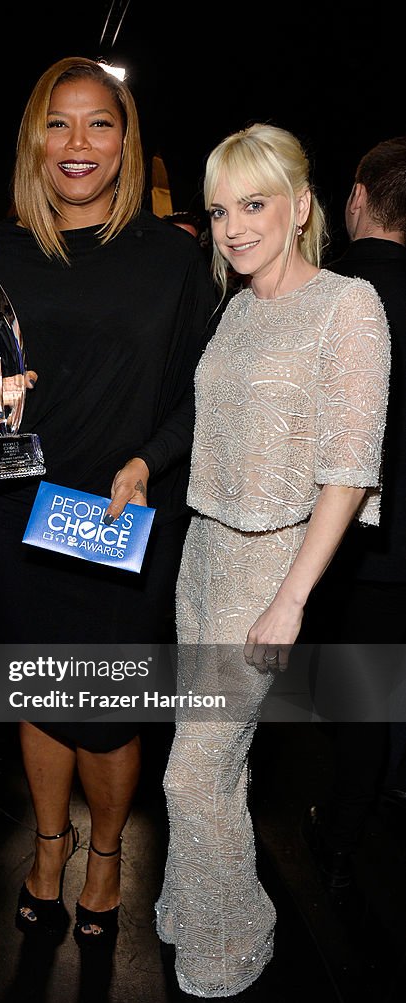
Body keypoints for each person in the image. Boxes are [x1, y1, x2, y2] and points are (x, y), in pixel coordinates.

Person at [0, 56, 216, 946]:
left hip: (118, 510)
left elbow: (202, 388)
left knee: (106, 712)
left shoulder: (173, 256)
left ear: (125, 139)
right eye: (58, 124)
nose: (78, 144)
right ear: (35, 138)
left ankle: (105, 854)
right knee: (39, 692)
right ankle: (47, 843)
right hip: (19, 504)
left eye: (98, 123)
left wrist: (150, 460)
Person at [154, 123, 390, 997]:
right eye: (219, 210)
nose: (232, 226)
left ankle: (233, 936)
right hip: (203, 552)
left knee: (190, 776)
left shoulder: (347, 304)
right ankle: (188, 901)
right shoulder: (239, 306)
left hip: (269, 566)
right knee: (211, 754)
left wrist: (291, 598)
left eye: (252, 205)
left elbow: (347, 470)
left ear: (299, 206)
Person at [301, 137, 406, 887]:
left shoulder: (322, 293)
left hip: (353, 544)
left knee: (361, 693)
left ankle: (338, 837)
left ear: (357, 199)